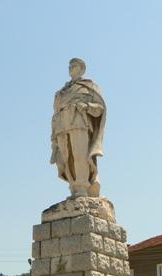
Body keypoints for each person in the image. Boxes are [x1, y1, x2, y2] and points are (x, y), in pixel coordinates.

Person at [50, 58, 106, 198]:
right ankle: (74, 188)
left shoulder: (89, 86)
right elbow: (55, 113)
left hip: (79, 123)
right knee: (66, 157)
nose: (70, 68)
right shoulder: (63, 91)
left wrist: (86, 106)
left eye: (73, 65)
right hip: (62, 125)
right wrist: (53, 134)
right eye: (69, 66)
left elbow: (100, 109)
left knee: (79, 155)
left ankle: (82, 187)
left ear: (82, 69)